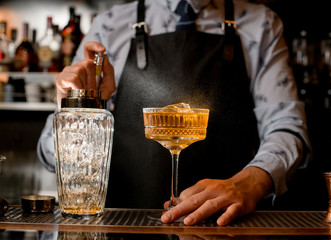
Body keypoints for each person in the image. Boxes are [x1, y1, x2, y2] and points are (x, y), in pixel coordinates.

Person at [37, 0, 311, 226]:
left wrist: (252, 181)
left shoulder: (260, 23)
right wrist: (79, 111)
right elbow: (50, 155)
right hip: (124, 226)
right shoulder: (109, 25)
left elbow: (287, 126)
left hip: (226, 227)